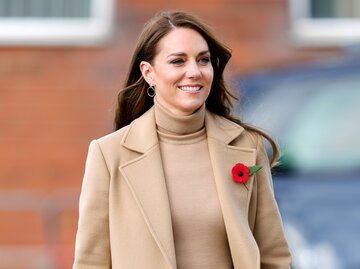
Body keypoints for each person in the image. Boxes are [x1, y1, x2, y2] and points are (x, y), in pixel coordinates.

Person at [73, 10, 291, 269]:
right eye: (178, 61)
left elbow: (273, 257)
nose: (194, 72)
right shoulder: (108, 154)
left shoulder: (246, 145)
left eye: (203, 60)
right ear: (148, 72)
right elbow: (91, 263)